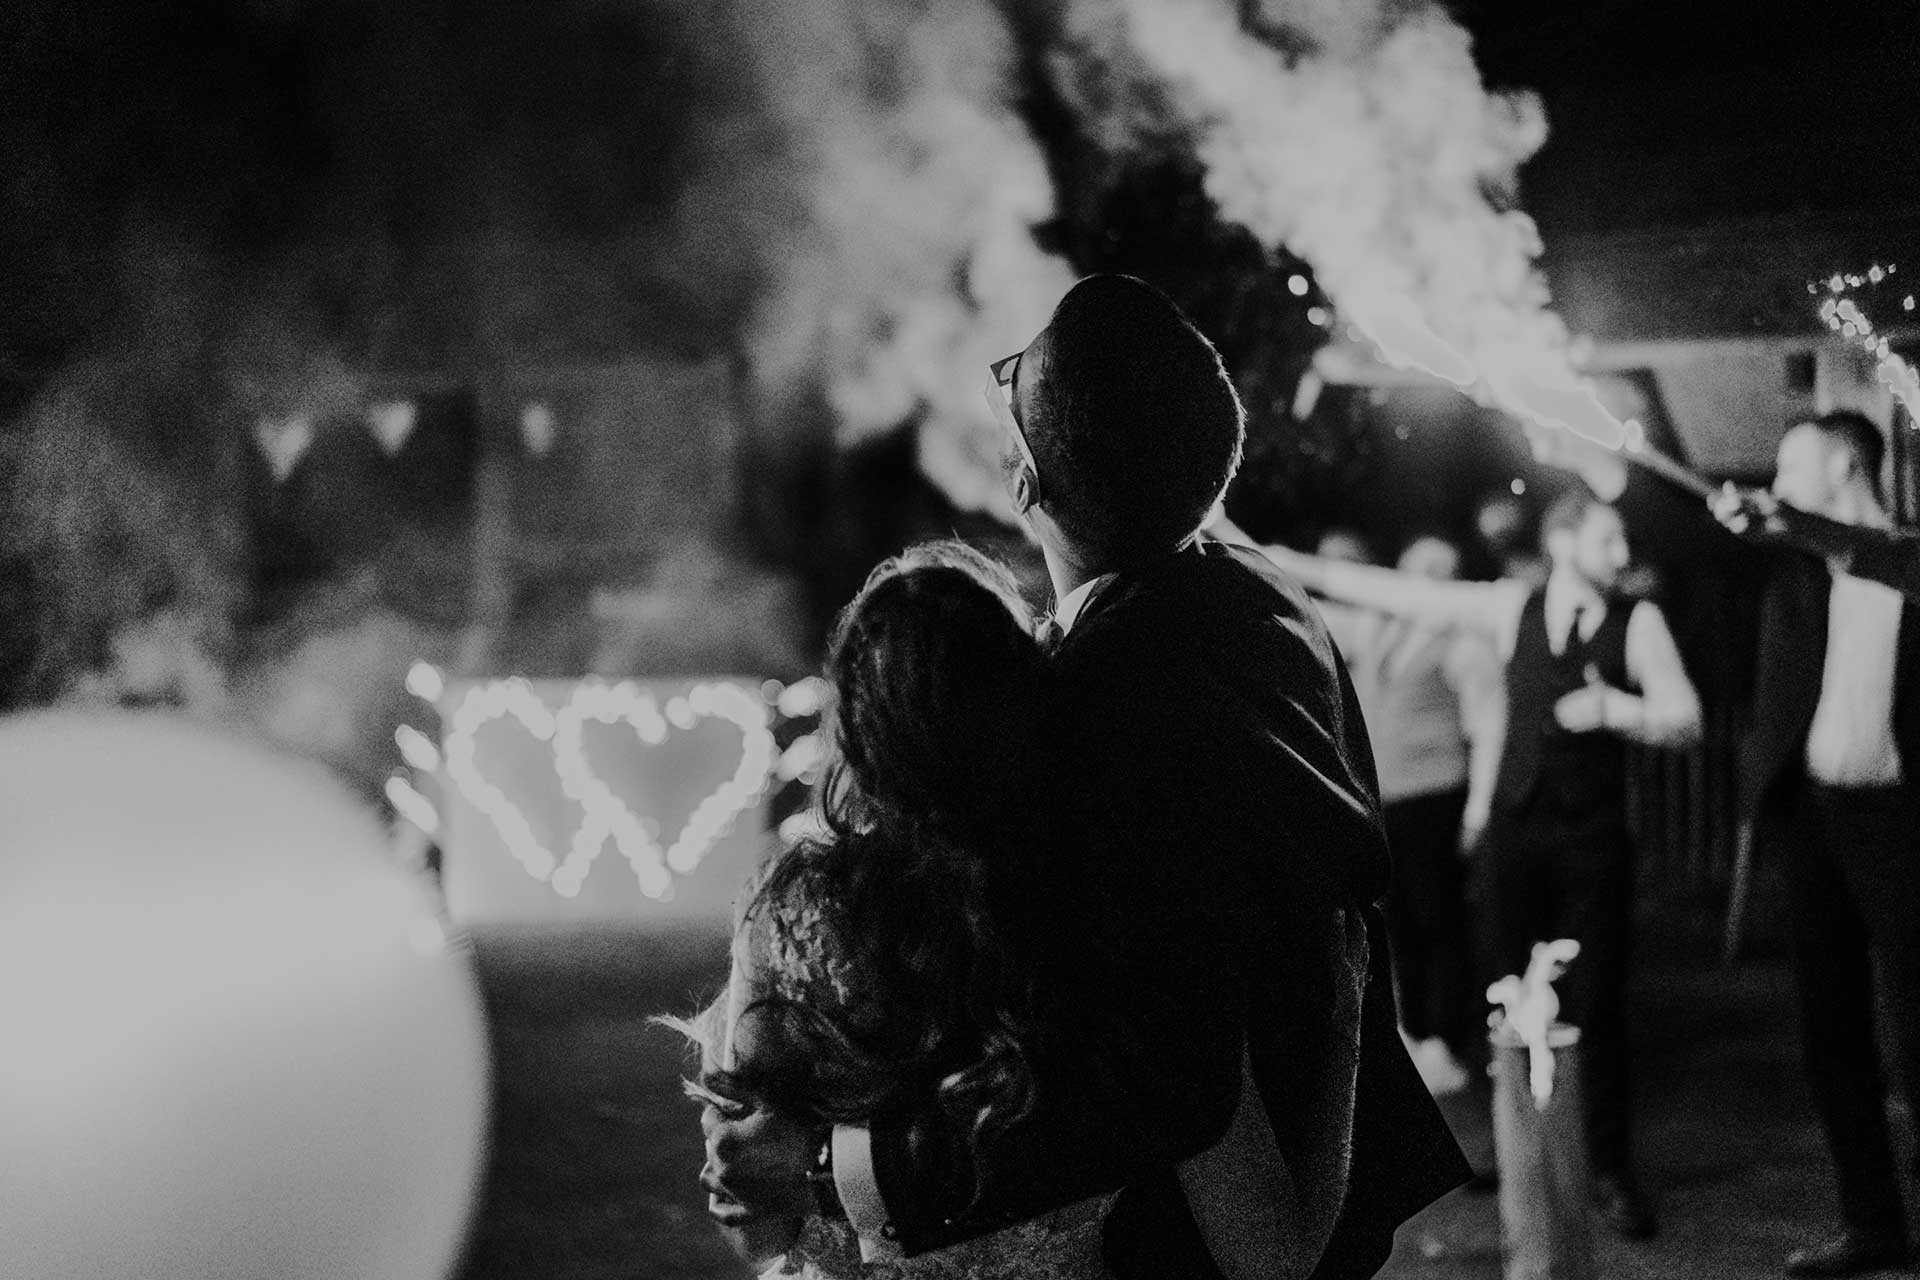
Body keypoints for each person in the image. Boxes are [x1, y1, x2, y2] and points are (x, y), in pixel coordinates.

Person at [701, 274, 1469, 1280]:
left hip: (1205, 1228)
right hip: (1311, 1175)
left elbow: (1132, 1073)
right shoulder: (1261, 599)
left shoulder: (1086, 719)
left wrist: (845, 1164)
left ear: (1025, 484)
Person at [684, 541, 1295, 1279]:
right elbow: (1262, 1240)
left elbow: (759, 1226)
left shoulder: (794, 920)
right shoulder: (1102, 908)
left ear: (852, 727)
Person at [1260, 487, 1703, 1240]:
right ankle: (1522, 1152)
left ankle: (1606, 1167)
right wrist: (1280, 558)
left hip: (1592, 844)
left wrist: (1619, 712)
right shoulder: (1508, 609)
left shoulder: (1640, 622)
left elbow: (1686, 718)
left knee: (1594, 1008)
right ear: (1564, 543)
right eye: (1608, 541)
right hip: (1515, 837)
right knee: (1505, 999)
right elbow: (1394, 591)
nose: (1623, 556)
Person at [1704, 412, 1920, 1277]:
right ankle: (1873, 1223)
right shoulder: (1797, 572)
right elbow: (1693, 553)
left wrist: (1793, 523)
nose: (1776, 482)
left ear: (1842, 462)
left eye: (1790, 465)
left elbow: (1888, 559)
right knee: (1830, 1030)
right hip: (1815, 819)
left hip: (1903, 826)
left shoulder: (1906, 557)